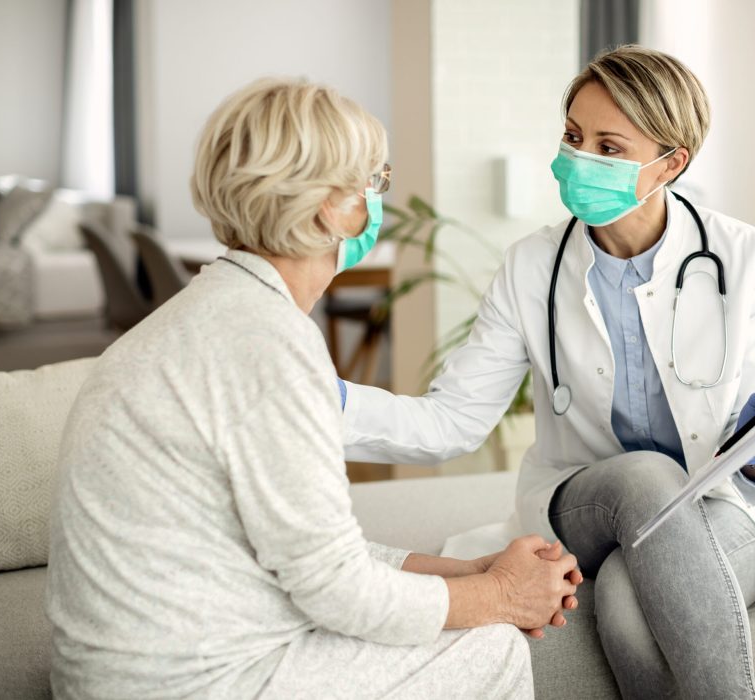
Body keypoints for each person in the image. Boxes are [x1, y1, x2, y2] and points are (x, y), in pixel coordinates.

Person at [340, 45, 755, 699]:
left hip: (715, 501)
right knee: (645, 477)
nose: (579, 159)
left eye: (609, 147)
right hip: (585, 501)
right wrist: (320, 400)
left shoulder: (737, 254)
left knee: (622, 591)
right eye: (573, 136)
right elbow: (452, 421)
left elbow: (749, 431)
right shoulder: (531, 267)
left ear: (670, 163)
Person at [45, 77, 582, 700]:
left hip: (136, 667)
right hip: (192, 681)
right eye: (372, 183)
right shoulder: (267, 346)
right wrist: (500, 597)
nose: (374, 203)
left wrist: (466, 571)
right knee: (488, 644)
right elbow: (335, 588)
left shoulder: (207, 316)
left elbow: (299, 549)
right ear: (332, 204)